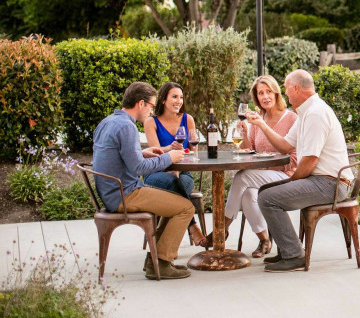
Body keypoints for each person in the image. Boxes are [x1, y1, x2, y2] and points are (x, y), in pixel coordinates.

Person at [92, 81, 194, 280]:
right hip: (125, 194)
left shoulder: (109, 122)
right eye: (150, 106)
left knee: (175, 204)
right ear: (140, 104)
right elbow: (138, 168)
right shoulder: (127, 127)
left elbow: (121, 157)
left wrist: (143, 152)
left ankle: (155, 260)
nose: (150, 111)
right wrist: (168, 158)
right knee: (186, 208)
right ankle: (163, 262)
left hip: (112, 192)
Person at [255, 69, 353, 272]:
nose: (285, 92)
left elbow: (308, 162)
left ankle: (294, 256)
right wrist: (261, 126)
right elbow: (284, 145)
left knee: (268, 198)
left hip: (331, 184)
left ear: (296, 88)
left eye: (286, 87)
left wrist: (291, 182)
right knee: (265, 192)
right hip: (322, 180)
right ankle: (286, 249)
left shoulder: (316, 113)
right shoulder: (306, 112)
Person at [215, 75, 298, 257]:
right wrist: (244, 133)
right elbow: (249, 151)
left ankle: (221, 228)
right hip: (262, 176)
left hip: (286, 175)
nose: (265, 96)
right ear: (256, 97)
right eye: (261, 93)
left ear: (276, 93)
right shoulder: (257, 119)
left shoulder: (291, 118)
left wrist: (269, 167)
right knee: (248, 194)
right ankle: (264, 240)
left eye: (268, 91)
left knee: (242, 176)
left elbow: (294, 158)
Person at [142, 82, 204, 247]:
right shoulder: (151, 122)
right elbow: (155, 153)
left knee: (181, 182)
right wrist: (170, 151)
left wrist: (181, 163)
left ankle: (162, 245)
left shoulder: (187, 119)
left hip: (183, 172)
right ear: (163, 100)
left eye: (181, 97)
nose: (179, 101)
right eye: (174, 97)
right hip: (156, 173)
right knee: (173, 183)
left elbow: (194, 153)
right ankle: (192, 226)